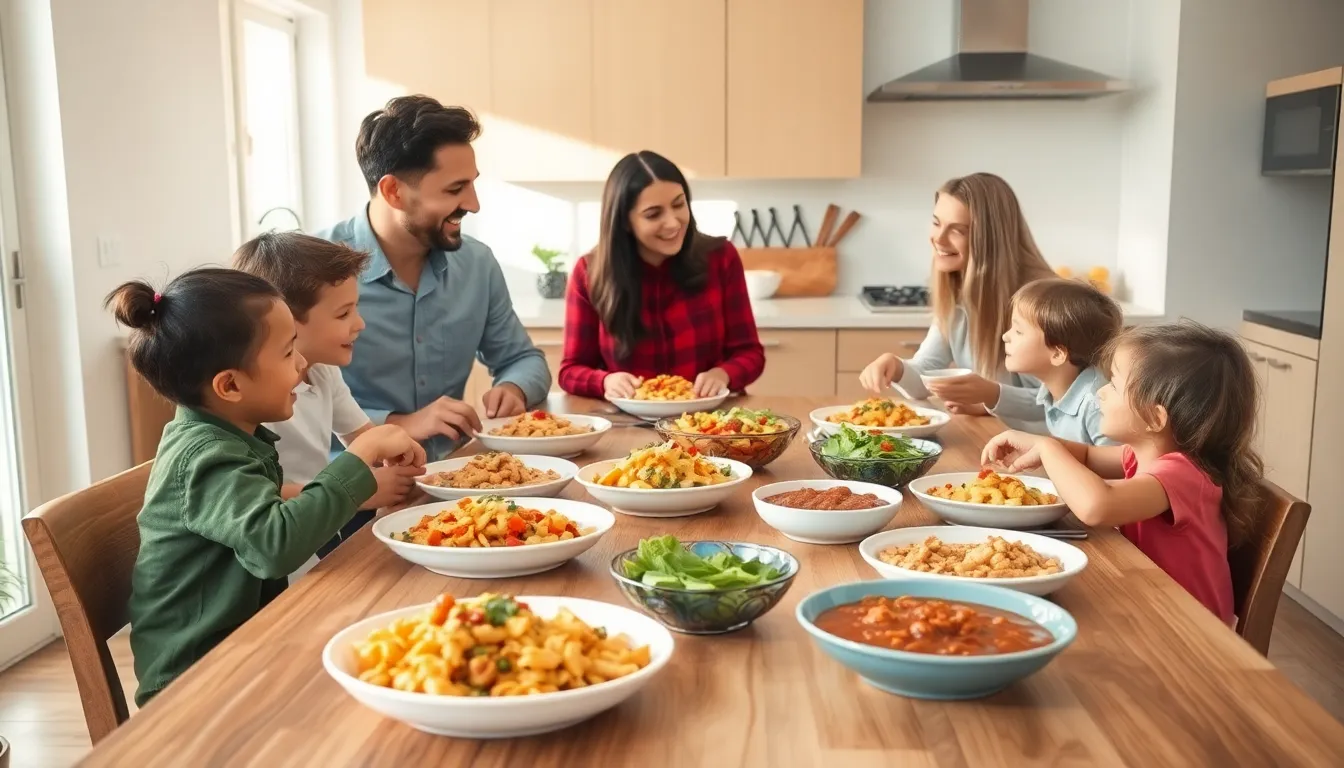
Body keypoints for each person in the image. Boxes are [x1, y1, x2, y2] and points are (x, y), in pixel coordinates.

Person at [109, 268, 425, 706]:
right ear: (231, 385)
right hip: (197, 683)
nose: (301, 363)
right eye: (287, 351)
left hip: (253, 645)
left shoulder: (228, 437)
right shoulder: (204, 457)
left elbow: (270, 518)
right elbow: (274, 544)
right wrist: (358, 457)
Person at [981, 321, 1263, 625]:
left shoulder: (1183, 474)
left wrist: (1049, 450)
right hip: (1147, 600)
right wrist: (1038, 442)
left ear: (1155, 417)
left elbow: (1098, 506)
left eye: (1113, 384)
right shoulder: (1140, 455)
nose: (1100, 392)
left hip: (1187, 628)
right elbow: (1088, 455)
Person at [319, 95, 550, 461]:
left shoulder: (477, 263)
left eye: (472, 184)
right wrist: (402, 423)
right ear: (393, 192)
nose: (474, 204)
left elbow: (523, 359)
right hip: (346, 491)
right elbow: (285, 398)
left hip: (453, 477)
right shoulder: (313, 267)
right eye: (455, 189)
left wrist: (514, 387)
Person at [233, 232, 421, 562]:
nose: (360, 324)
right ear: (285, 321)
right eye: (343, 314)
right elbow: (254, 500)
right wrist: (361, 492)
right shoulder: (254, 400)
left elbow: (366, 442)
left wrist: (397, 454)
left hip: (316, 543)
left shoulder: (322, 371)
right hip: (280, 555)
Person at [559, 151, 765, 399]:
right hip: (630, 422)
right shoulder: (589, 273)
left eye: (679, 204)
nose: (673, 223)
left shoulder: (721, 258)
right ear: (625, 221)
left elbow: (750, 353)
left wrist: (723, 374)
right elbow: (570, 371)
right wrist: (604, 381)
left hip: (709, 421)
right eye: (653, 214)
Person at [858, 173, 1055, 431]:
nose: (938, 239)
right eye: (936, 223)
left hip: (1052, 453)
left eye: (958, 230)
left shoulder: (1041, 300)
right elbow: (927, 373)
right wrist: (895, 367)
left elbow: (1055, 403)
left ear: (990, 240)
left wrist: (990, 395)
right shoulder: (959, 288)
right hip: (998, 440)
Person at [1002, 278, 1122, 445]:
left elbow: (1119, 468)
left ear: (1058, 354)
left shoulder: (1097, 405)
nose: (1005, 336)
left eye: (1018, 331)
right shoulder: (1053, 388)